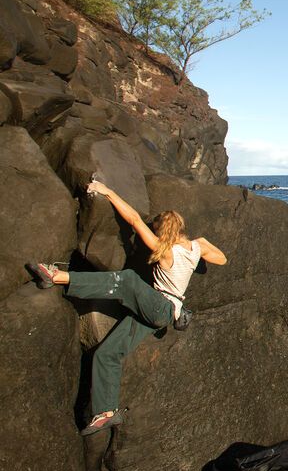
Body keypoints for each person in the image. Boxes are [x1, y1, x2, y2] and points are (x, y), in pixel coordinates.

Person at [29, 180, 227, 435]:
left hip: (159, 307)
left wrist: (108, 191)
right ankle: (106, 412)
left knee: (128, 280)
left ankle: (57, 277)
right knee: (107, 354)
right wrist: (201, 251)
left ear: (162, 231)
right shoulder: (197, 247)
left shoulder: (164, 250)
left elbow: (134, 220)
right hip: (159, 313)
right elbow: (222, 258)